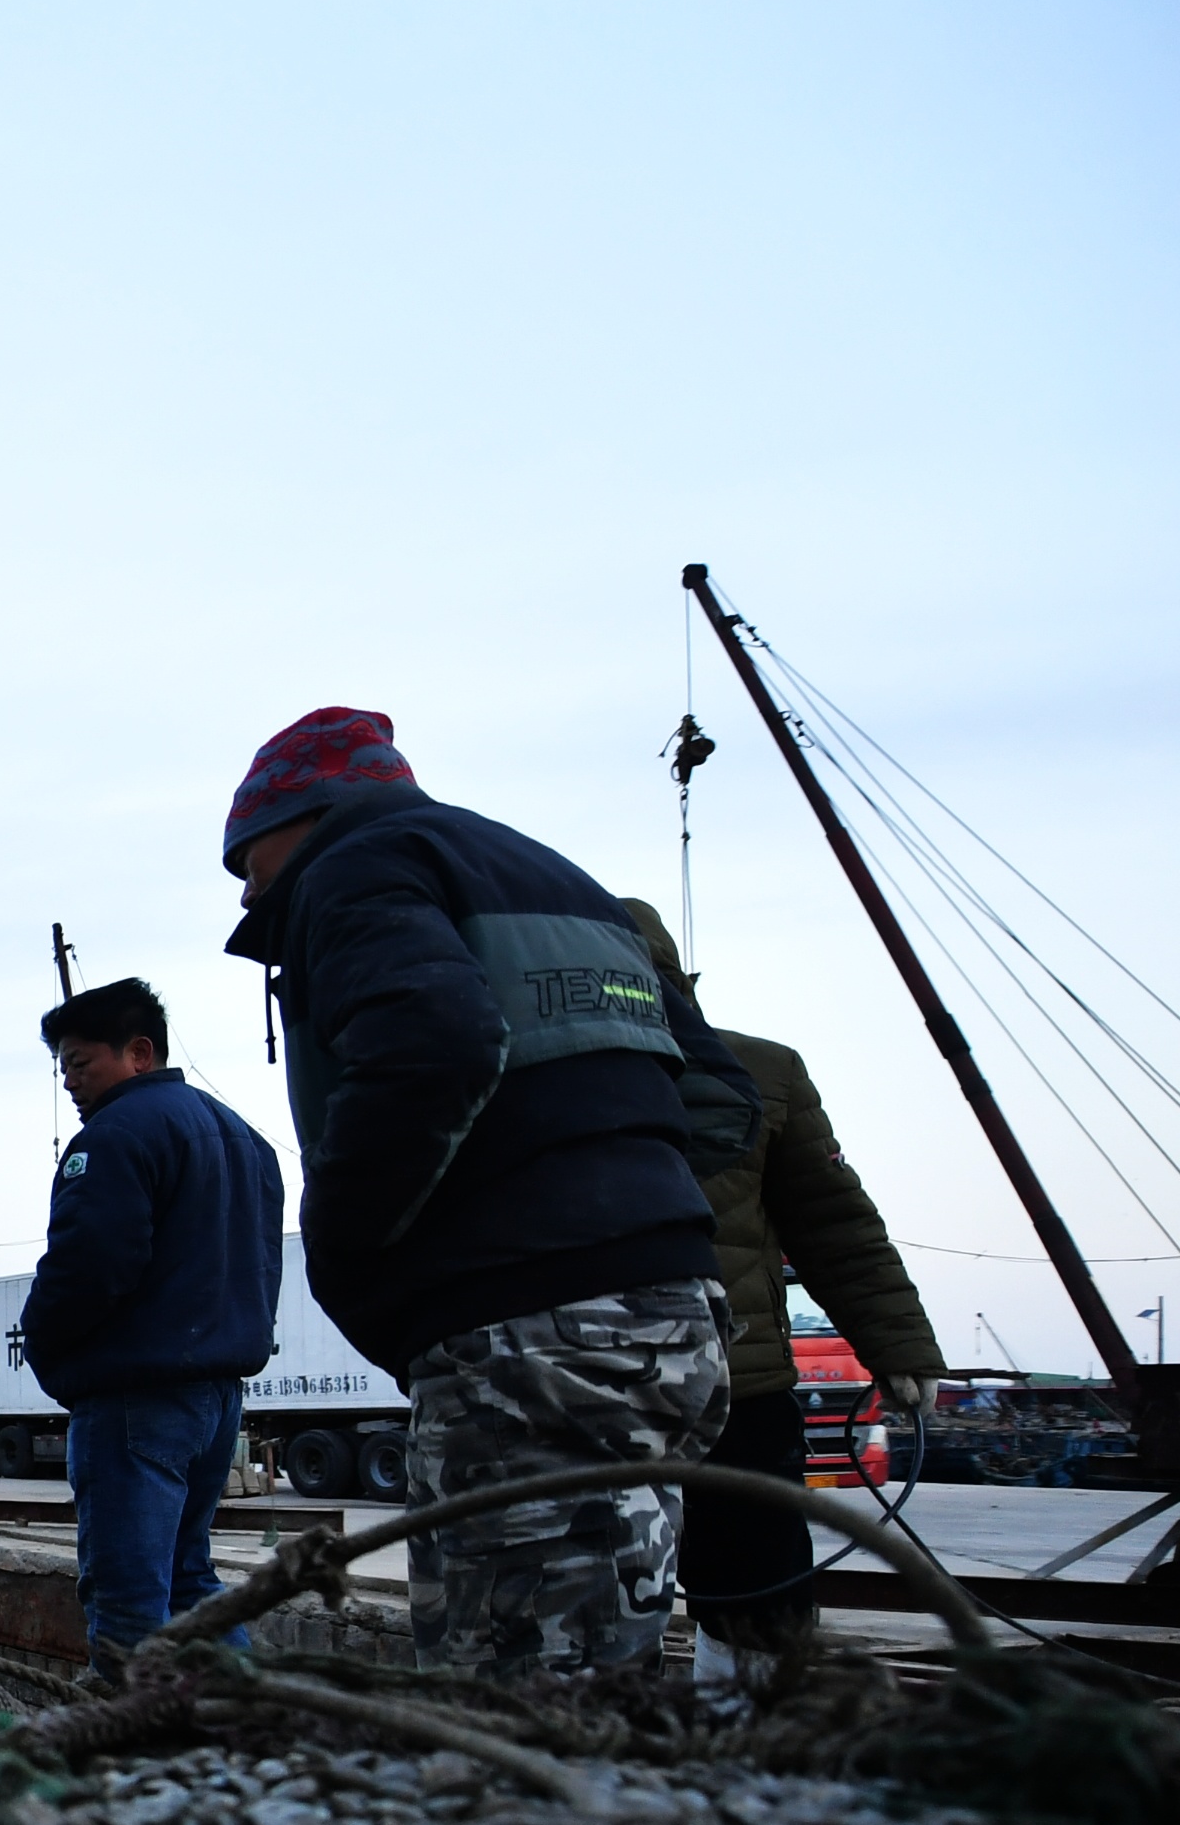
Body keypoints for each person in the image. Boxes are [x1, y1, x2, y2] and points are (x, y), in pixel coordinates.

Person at [218, 708, 759, 1674]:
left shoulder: (356, 870)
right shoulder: (564, 880)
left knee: (513, 1698)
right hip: (680, 1323)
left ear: (298, 817)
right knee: (601, 1653)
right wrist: (617, 1193)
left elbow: (438, 1044)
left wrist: (349, 1248)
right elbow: (721, 1100)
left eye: (245, 858)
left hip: (524, 1337)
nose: (249, 887)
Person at [622, 903, 945, 1675]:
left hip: (736, 1389)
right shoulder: (523, 1071)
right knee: (595, 1601)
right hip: (597, 1391)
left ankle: (750, 1753)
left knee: (758, 1599)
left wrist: (896, 1342)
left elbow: (834, 1222)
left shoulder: (763, 1073)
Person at [17, 978, 287, 1670]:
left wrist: (45, 1347)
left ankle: (124, 1754)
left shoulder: (114, 1137)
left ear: (138, 1052)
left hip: (136, 1398)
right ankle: (243, 1728)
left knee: (127, 1599)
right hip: (219, 1395)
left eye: (80, 1064)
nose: (71, 1084)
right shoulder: (246, 1140)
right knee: (191, 1581)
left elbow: (89, 1265)